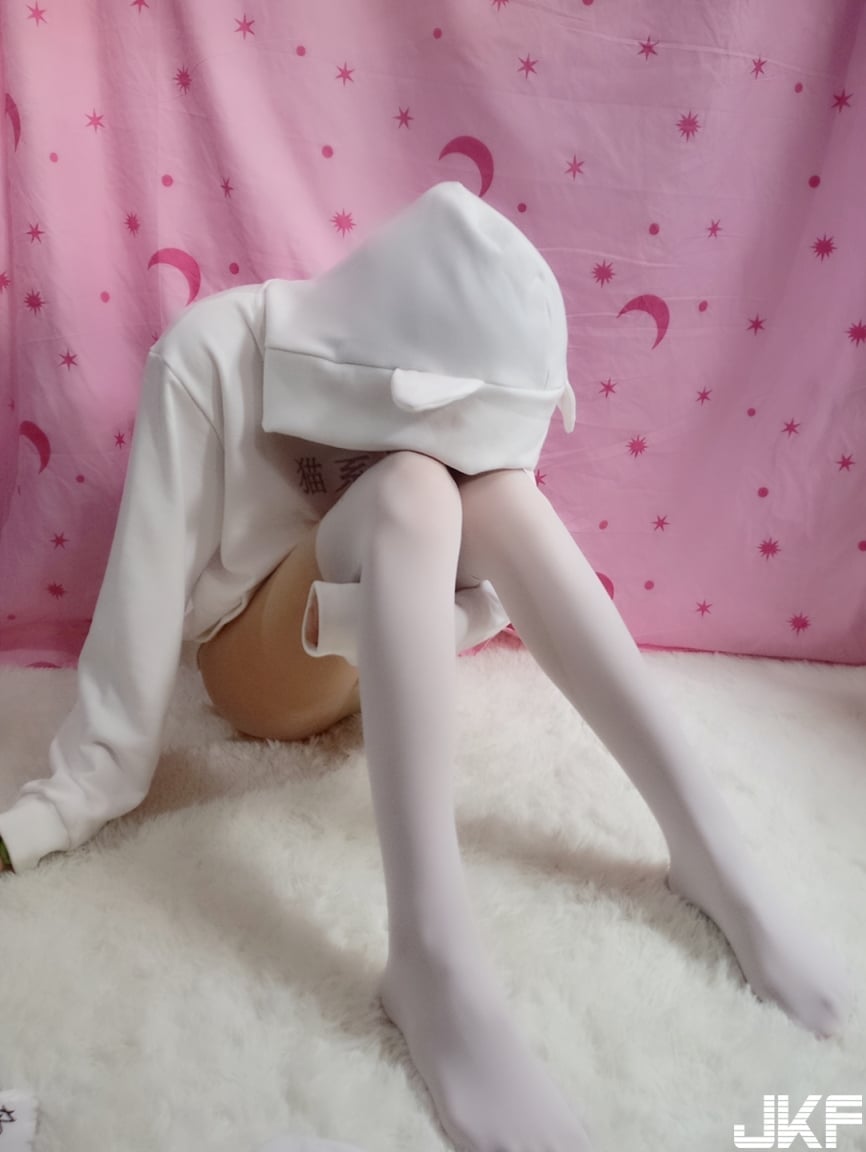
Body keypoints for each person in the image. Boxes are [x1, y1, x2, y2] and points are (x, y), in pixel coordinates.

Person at [0, 183, 849, 1152]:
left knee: (503, 500)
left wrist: (413, 616)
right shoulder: (206, 356)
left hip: (380, 640)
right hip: (258, 665)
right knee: (411, 486)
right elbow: (142, 593)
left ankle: (711, 850)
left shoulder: (449, 359)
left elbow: (490, 588)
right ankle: (431, 955)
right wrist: (69, 798)